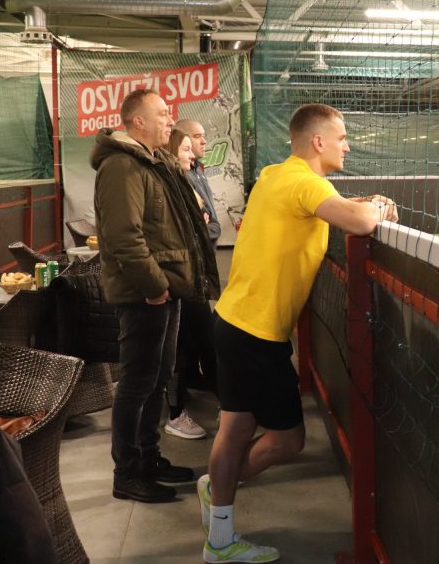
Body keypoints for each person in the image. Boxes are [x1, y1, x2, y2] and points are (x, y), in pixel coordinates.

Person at [197, 103, 397, 563]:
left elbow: (327, 206)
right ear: (318, 142)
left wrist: (361, 203)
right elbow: (362, 222)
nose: (348, 146)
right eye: (342, 138)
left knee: (235, 428)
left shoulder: (276, 174)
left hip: (232, 321)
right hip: (255, 334)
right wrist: (378, 206)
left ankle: (219, 530)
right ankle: (219, 495)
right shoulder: (306, 183)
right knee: (288, 440)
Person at [91, 89, 220, 503]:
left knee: (158, 378)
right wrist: (155, 287)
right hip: (145, 295)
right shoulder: (121, 167)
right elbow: (124, 238)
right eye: (163, 113)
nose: (170, 119)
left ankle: (147, 457)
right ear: (138, 122)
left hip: (166, 290)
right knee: (137, 383)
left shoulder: (153, 161)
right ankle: (128, 472)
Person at [162, 127, 216, 440]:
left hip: (190, 276)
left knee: (199, 341)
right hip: (177, 279)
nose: (191, 155)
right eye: (185, 149)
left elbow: (205, 217)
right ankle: (175, 413)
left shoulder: (184, 180)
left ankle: (221, 401)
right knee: (181, 349)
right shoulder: (167, 184)